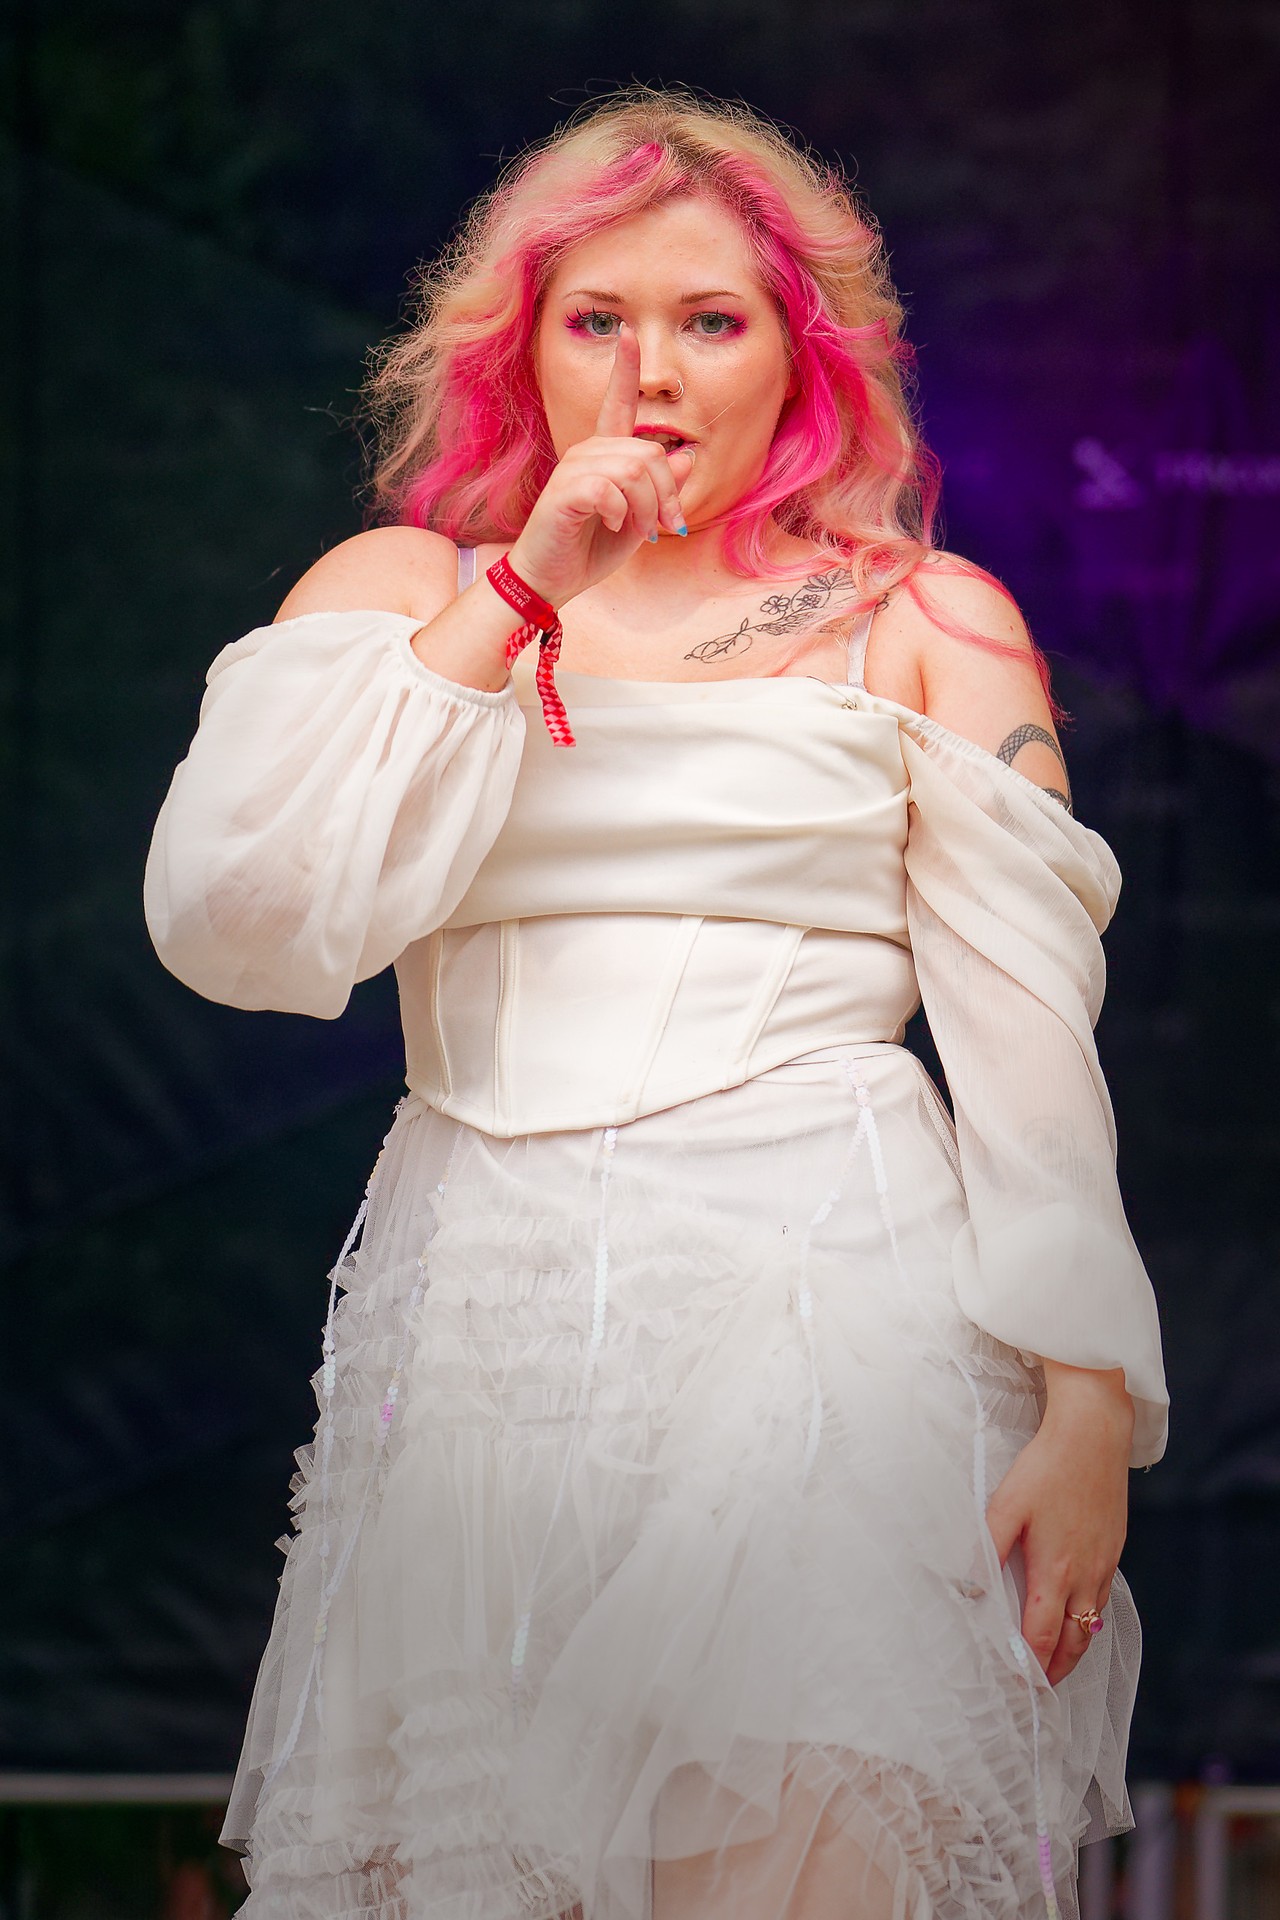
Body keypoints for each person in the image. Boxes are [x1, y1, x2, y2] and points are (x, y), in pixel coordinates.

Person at [144, 89, 1168, 1920]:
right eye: (597, 319)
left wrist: (1088, 1401)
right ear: (522, 349)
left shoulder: (925, 618)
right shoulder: (398, 594)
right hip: (490, 1315)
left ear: (801, 356)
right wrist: (529, 588)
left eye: (711, 319)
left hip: (835, 1296)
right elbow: (244, 922)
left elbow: (1028, 1037)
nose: (653, 374)